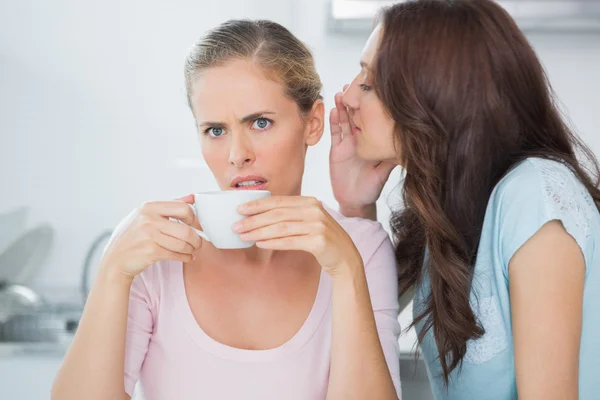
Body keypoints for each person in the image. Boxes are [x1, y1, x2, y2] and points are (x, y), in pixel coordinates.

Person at [51, 20, 401, 400]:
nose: (237, 155)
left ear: (312, 123)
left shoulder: (360, 249)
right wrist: (112, 273)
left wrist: (346, 269)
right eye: (215, 130)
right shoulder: (151, 252)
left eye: (261, 123)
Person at [329, 0, 600, 399]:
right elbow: (366, 339)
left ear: (434, 97)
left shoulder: (534, 195)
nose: (348, 95)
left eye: (369, 84)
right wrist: (356, 207)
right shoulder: (442, 206)